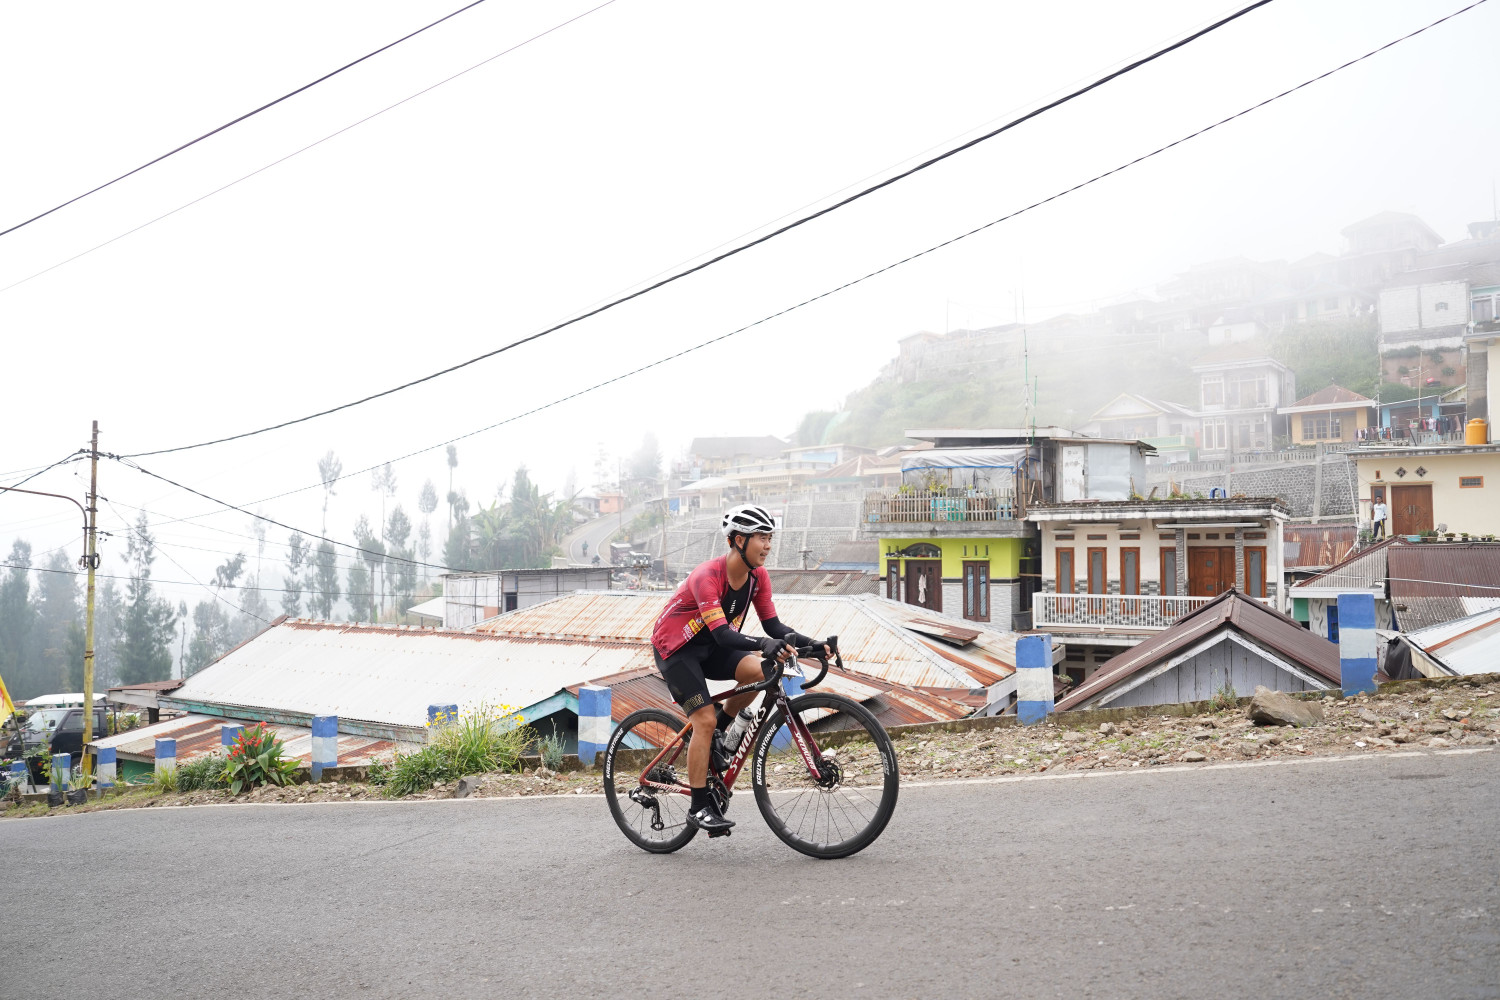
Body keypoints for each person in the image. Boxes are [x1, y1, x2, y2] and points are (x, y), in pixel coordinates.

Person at [649, 502, 823, 833]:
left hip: (712, 648)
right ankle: (698, 807)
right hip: (677, 650)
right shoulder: (707, 576)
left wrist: (813, 644)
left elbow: (773, 626)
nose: (768, 546)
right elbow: (722, 633)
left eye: (770, 538)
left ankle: (721, 732)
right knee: (702, 720)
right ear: (739, 540)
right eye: (762, 538)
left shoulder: (758, 577)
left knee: (759, 671)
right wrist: (762, 644)